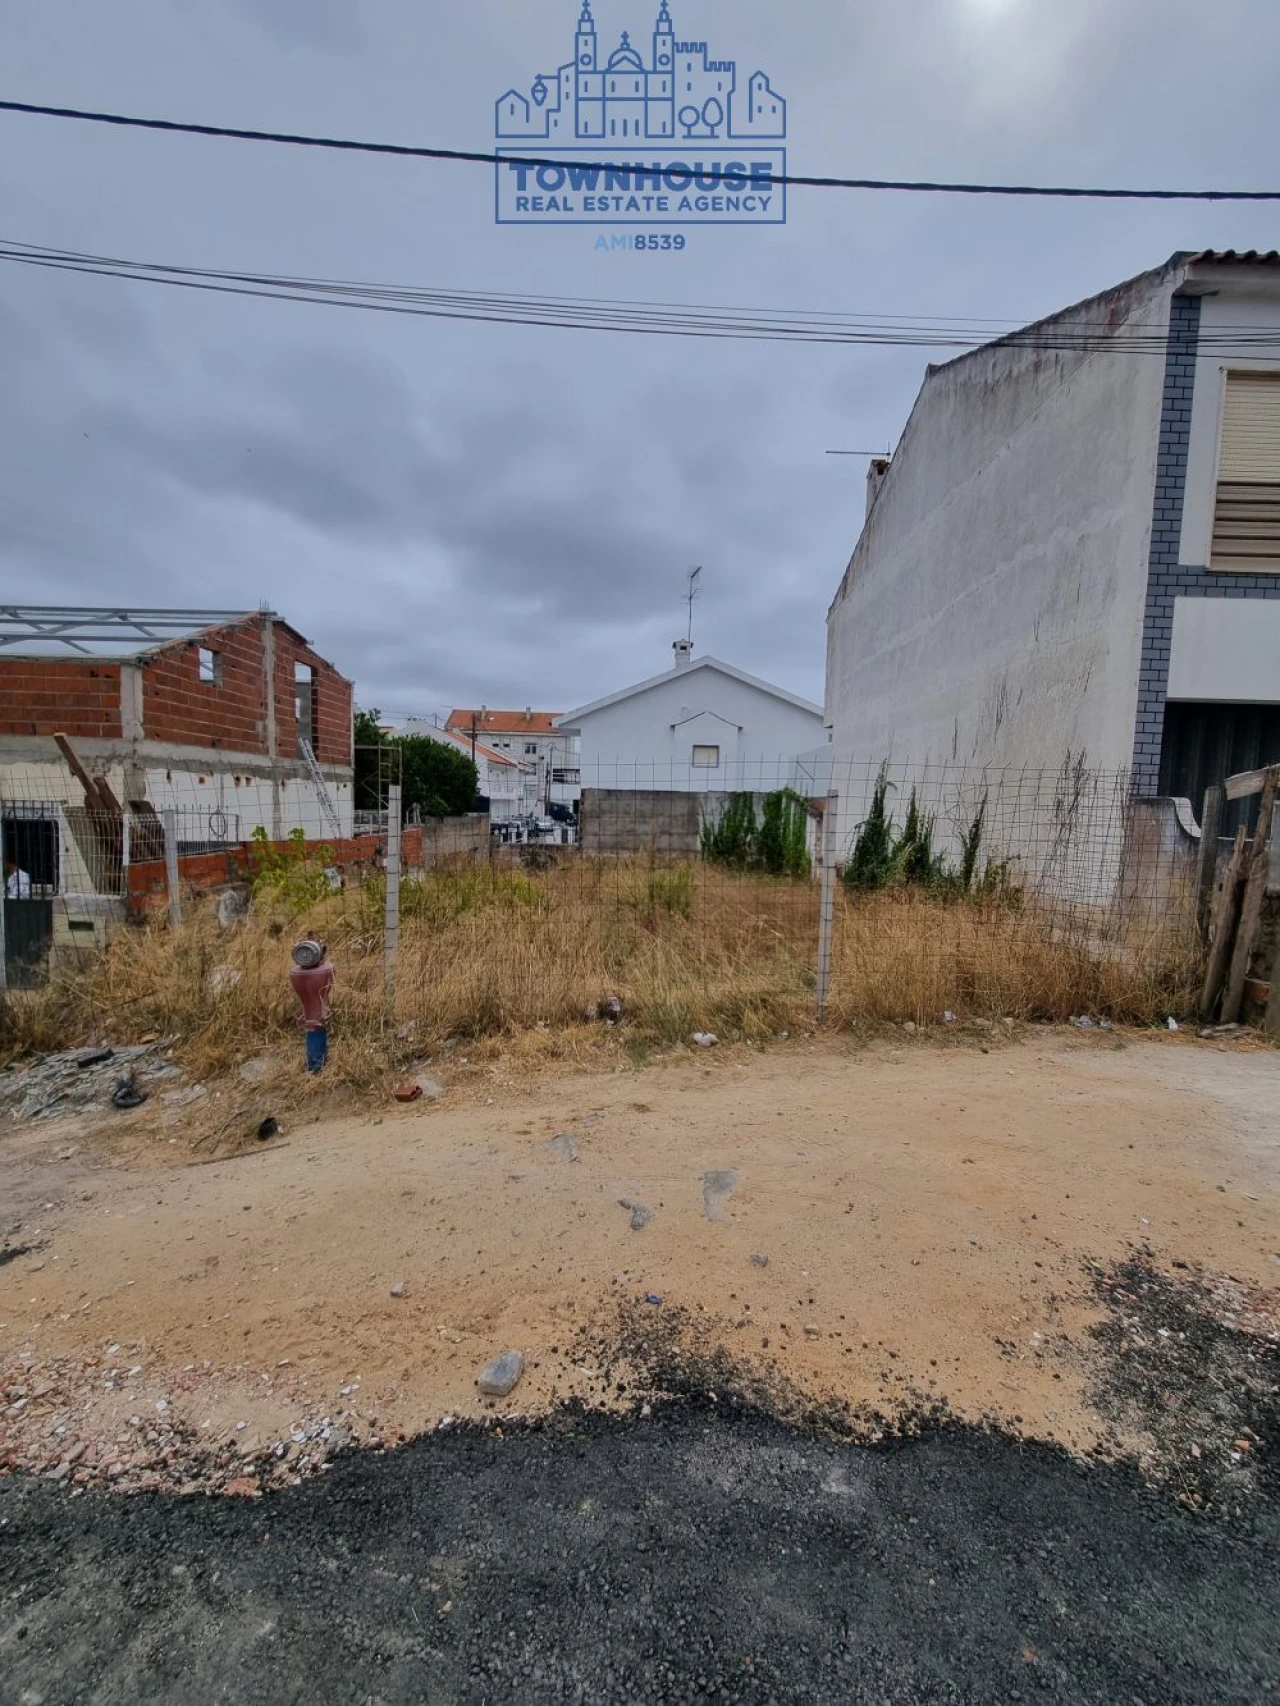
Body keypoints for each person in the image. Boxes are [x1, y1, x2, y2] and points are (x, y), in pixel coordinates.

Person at [289, 938, 335, 1073]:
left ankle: (315, 1065)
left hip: (311, 1015)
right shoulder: (326, 969)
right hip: (318, 1014)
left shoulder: (296, 973)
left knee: (312, 1017)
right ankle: (317, 1066)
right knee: (317, 1016)